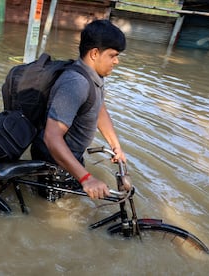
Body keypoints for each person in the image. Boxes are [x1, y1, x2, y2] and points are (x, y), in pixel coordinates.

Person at [31, 19, 127, 200]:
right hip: (54, 163)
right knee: (52, 213)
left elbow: (99, 108)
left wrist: (116, 146)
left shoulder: (94, 77)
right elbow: (51, 137)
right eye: (113, 55)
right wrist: (86, 178)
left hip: (71, 157)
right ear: (94, 53)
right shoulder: (76, 84)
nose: (117, 61)